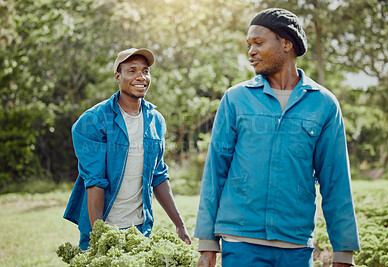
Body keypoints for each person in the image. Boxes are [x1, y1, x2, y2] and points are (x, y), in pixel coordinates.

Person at [194, 8, 360, 267]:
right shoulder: (236, 99)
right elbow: (215, 172)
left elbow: (336, 181)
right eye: (249, 45)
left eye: (259, 43)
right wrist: (207, 244)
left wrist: (344, 252)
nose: (251, 52)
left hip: (295, 245)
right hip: (240, 242)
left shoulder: (324, 104)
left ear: (286, 43)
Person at [64, 47, 191, 250]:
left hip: (140, 230)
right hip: (103, 225)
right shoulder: (93, 121)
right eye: (132, 70)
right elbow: (95, 181)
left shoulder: (155, 120)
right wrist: (100, 236)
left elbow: (158, 175)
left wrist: (180, 224)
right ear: (118, 76)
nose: (140, 76)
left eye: (145, 71)